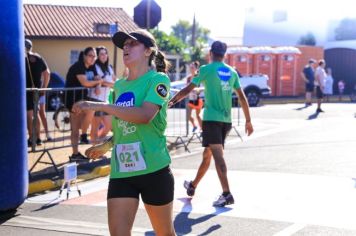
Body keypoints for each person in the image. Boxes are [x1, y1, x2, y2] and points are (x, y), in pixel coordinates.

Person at [72, 30, 176, 236]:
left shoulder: (158, 80)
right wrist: (108, 145)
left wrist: (97, 105)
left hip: (154, 170)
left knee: (165, 234)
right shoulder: (118, 86)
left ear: (148, 51)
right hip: (122, 172)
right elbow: (123, 125)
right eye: (124, 45)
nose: (126, 48)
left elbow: (144, 115)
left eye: (132, 44)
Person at [169, 41, 254, 207]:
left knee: (217, 157)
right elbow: (242, 97)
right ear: (225, 55)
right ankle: (192, 186)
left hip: (211, 119)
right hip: (226, 121)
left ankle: (227, 193)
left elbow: (188, 89)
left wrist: (172, 100)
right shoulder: (232, 72)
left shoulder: (205, 70)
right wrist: (248, 121)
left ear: (210, 53)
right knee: (207, 155)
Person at [65, 47, 103, 161]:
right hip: (72, 98)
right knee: (76, 127)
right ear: (85, 56)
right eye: (90, 56)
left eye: (94, 56)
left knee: (81, 122)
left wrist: (98, 84)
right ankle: (79, 145)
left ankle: (80, 144)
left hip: (83, 98)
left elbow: (98, 78)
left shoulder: (92, 67)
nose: (93, 58)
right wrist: (98, 82)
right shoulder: (78, 66)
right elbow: (85, 82)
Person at [88, 46, 116, 144]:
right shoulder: (94, 67)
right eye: (101, 54)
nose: (104, 56)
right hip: (95, 99)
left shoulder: (110, 67)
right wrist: (110, 84)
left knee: (109, 126)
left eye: (105, 53)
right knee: (95, 127)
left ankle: (97, 143)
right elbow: (100, 81)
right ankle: (94, 148)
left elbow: (113, 82)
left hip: (106, 100)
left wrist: (107, 82)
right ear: (98, 56)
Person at [25, 39, 50, 146]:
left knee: (29, 115)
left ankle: (32, 138)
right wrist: (44, 88)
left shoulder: (22, 58)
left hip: (27, 90)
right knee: (36, 114)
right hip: (37, 90)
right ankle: (38, 138)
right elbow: (47, 73)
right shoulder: (38, 57)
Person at [186, 61, 203, 132]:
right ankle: (194, 126)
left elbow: (202, 88)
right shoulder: (189, 78)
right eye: (190, 67)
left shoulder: (198, 77)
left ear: (196, 68)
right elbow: (186, 88)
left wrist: (198, 90)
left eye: (192, 67)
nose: (191, 68)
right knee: (188, 116)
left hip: (197, 99)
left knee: (198, 116)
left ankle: (202, 130)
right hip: (190, 99)